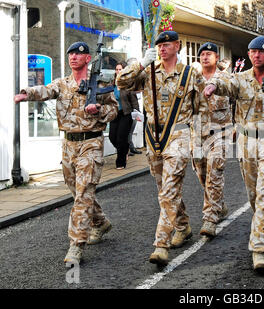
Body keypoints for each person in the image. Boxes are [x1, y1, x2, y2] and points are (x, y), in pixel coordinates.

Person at [14, 42, 119, 264]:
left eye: (78, 54)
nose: (73, 57)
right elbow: (46, 90)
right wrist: (27, 93)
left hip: (90, 143)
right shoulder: (63, 83)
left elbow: (113, 110)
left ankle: (76, 245)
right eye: (70, 54)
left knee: (83, 194)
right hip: (68, 145)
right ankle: (100, 222)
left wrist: (99, 110)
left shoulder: (99, 83)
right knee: (78, 191)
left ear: (88, 59)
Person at [204, 36, 264, 274]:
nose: (256, 55)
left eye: (261, 52)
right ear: (249, 55)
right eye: (252, 52)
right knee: (254, 197)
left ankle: (259, 249)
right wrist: (213, 85)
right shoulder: (240, 79)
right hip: (247, 145)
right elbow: (224, 82)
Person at [116, 31, 208, 266]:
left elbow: (201, 107)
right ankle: (183, 225)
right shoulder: (148, 72)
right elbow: (122, 83)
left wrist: (199, 138)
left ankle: (161, 245)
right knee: (164, 188)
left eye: (167, 44)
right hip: (153, 135)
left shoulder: (191, 74)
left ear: (177, 46)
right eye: (160, 45)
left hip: (179, 133)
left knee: (169, 189)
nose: (163, 48)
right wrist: (141, 63)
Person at [191, 42, 232, 237]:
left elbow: (238, 102)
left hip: (221, 133)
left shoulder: (226, 78)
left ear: (216, 57)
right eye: (203, 54)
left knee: (215, 171)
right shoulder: (192, 80)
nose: (205, 57)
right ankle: (220, 204)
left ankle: (210, 218)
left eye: (209, 54)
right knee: (202, 174)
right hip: (197, 134)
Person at [109, 62, 140, 169]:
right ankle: (125, 149)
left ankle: (120, 162)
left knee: (121, 138)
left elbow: (134, 101)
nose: (118, 71)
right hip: (114, 114)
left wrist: (137, 113)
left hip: (126, 114)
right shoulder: (111, 84)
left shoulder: (128, 84)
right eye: (116, 69)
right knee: (112, 137)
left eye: (120, 69)